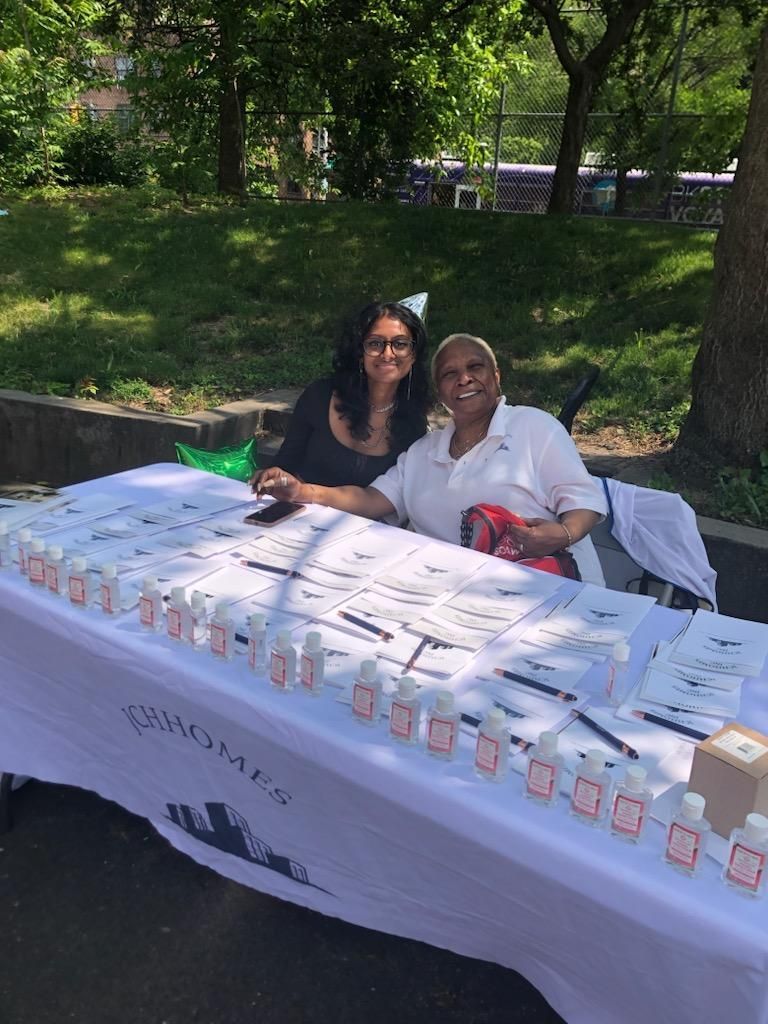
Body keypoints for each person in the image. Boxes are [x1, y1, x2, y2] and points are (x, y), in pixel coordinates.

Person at [254, 332, 608, 584]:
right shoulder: (425, 451)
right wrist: (303, 491)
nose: (464, 378)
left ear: (496, 377)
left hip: (550, 590)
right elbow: (371, 499)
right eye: (449, 374)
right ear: (440, 391)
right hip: (452, 598)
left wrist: (562, 533)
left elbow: (583, 501)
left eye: (476, 367)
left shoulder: (534, 426)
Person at [255, 301, 430, 489]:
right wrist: (272, 475)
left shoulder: (414, 422)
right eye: (375, 343)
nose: (387, 354)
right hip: (299, 512)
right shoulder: (320, 396)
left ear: (413, 355)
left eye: (400, 344)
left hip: (366, 519)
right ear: (359, 353)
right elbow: (284, 465)